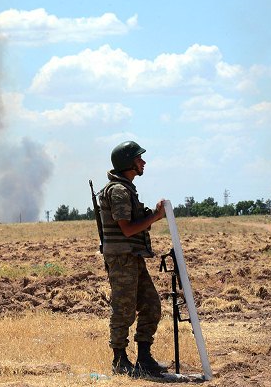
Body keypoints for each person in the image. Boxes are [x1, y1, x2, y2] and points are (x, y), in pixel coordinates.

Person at [98, 141, 167, 377]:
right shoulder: (118, 191)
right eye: (139, 159)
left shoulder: (126, 188)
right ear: (128, 163)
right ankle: (120, 359)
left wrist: (151, 216)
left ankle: (144, 358)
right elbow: (127, 229)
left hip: (132, 257)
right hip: (122, 259)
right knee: (124, 309)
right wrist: (156, 217)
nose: (143, 162)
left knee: (151, 305)